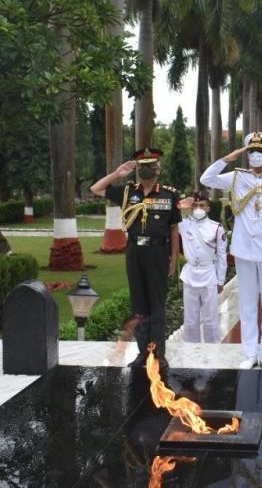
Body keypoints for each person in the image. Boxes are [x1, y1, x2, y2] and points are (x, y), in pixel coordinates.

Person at [200, 131, 262, 370]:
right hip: (244, 249)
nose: (255, 155)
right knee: (247, 302)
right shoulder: (236, 177)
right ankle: (250, 352)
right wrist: (227, 159)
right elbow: (206, 179)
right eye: (252, 151)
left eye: (260, 151)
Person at [90, 147, 180, 370]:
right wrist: (117, 174)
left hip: (158, 252)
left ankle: (158, 353)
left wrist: (173, 259)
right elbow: (96, 189)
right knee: (139, 304)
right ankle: (143, 353)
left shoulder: (169, 194)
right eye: (142, 166)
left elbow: (174, 229)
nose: (146, 169)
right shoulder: (127, 192)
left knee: (157, 305)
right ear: (137, 169)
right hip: (134, 252)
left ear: (158, 168)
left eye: (150, 165)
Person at [177, 190, 228, 343]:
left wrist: (221, 280)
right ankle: (191, 351)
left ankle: (213, 351)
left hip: (209, 275)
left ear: (208, 208)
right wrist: (181, 203)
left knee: (210, 319)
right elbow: (170, 211)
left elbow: (222, 256)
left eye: (202, 205)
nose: (198, 208)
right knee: (190, 320)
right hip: (190, 275)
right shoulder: (184, 225)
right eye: (195, 205)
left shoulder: (217, 228)